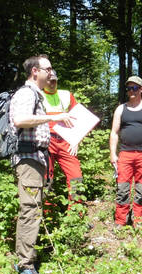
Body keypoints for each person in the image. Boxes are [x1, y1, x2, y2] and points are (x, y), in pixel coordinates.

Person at [10, 55, 74, 274]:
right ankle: (25, 264)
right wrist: (51, 117)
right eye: (48, 69)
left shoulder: (35, 94)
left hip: (37, 159)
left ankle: (27, 254)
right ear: (35, 71)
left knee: (34, 208)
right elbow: (19, 120)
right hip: (28, 159)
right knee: (30, 209)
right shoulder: (27, 93)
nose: (51, 73)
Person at [110, 76, 142, 227]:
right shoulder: (121, 109)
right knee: (122, 189)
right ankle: (121, 220)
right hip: (125, 155)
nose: (132, 91)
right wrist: (113, 153)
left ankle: (138, 219)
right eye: (129, 88)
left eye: (135, 88)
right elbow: (114, 132)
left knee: (141, 189)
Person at [41, 69, 83, 201]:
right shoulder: (38, 96)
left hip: (66, 142)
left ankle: (77, 214)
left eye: (54, 80)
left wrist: (76, 140)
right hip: (46, 142)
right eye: (49, 80)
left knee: (76, 177)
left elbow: (79, 119)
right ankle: (48, 217)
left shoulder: (66, 95)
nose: (52, 83)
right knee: (46, 179)